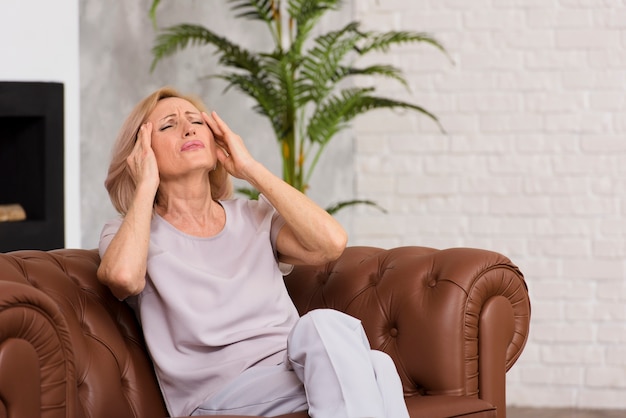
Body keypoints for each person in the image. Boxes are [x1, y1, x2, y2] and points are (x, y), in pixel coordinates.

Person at [97, 86, 410, 418]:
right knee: (334, 337)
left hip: (290, 370)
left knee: (377, 362)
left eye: (195, 121)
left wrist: (250, 168)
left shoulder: (252, 216)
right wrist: (145, 185)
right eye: (168, 125)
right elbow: (122, 277)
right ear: (141, 152)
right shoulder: (129, 232)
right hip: (216, 395)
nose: (187, 128)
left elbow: (330, 243)